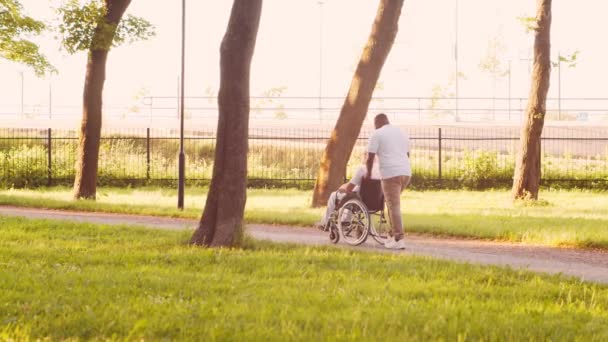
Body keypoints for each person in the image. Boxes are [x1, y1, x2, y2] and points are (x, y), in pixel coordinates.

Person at [366, 113, 411, 249]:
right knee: (392, 204)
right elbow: (407, 154)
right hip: (406, 173)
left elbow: (370, 158)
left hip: (390, 174)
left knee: (393, 206)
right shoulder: (402, 133)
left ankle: (399, 238)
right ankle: (392, 235)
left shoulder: (377, 134)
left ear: (377, 123)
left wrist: (368, 175)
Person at [314, 153, 381, 231]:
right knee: (350, 196)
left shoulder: (362, 169)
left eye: (364, 155)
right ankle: (345, 221)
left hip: (361, 201)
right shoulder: (382, 170)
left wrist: (342, 187)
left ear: (367, 157)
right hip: (376, 202)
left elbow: (349, 188)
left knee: (335, 195)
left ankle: (325, 223)